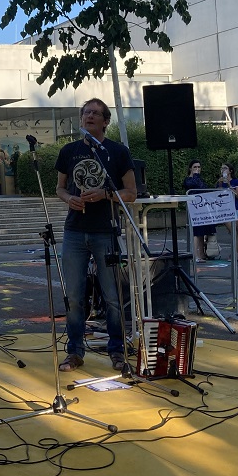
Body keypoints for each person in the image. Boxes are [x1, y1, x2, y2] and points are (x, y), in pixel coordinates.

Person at [55, 98, 137, 372]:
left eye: (95, 113)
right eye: (85, 112)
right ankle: (75, 352)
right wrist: (69, 199)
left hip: (106, 231)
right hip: (75, 231)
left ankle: (117, 351)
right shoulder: (69, 151)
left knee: (112, 296)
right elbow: (60, 188)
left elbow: (132, 193)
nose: (89, 116)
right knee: (75, 296)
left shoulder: (117, 151)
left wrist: (105, 194)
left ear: (105, 121)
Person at [183, 160, 216, 264]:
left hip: (203, 208)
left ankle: (201, 254)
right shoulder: (188, 180)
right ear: (190, 169)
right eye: (195, 167)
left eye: (199, 167)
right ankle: (195, 255)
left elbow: (203, 188)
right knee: (196, 233)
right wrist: (195, 175)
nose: (197, 169)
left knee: (202, 232)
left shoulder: (200, 180)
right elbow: (192, 186)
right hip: (194, 209)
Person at [217, 162, 238, 262]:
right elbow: (217, 195)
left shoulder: (236, 182)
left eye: (225, 168)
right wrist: (220, 184)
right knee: (232, 231)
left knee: (234, 232)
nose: (223, 170)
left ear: (230, 171)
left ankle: (236, 253)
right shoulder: (220, 182)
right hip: (225, 210)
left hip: (235, 209)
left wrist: (229, 184)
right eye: (222, 168)